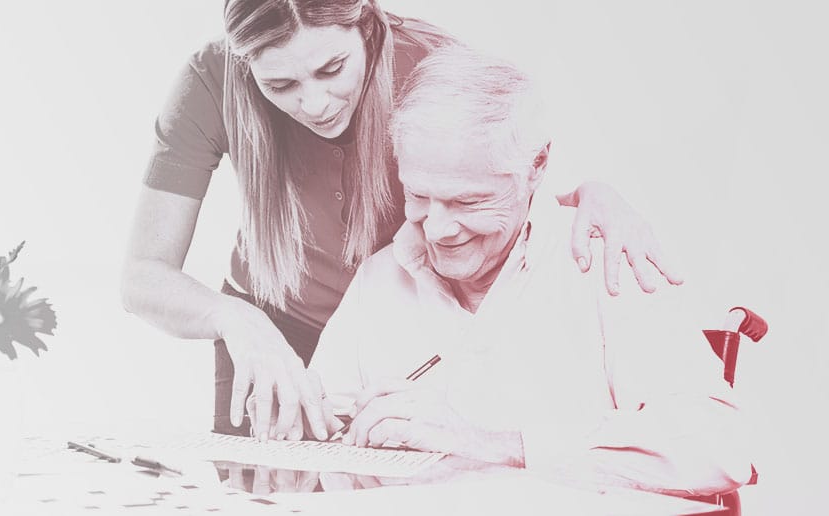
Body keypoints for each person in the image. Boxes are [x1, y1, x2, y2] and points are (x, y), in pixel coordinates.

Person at [121, 0, 683, 443]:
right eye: (280, 86)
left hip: (396, 334)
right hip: (271, 333)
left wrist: (594, 192)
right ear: (245, 66)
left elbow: (507, 172)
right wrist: (238, 321)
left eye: (331, 68)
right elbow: (143, 275)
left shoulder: (431, 63)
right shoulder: (206, 83)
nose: (314, 103)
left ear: (366, 22)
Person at [309, 44, 752, 496]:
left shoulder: (606, 263)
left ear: (537, 166)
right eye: (418, 196)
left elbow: (717, 446)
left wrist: (502, 445)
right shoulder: (381, 278)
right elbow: (322, 426)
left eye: (469, 201)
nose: (438, 230)